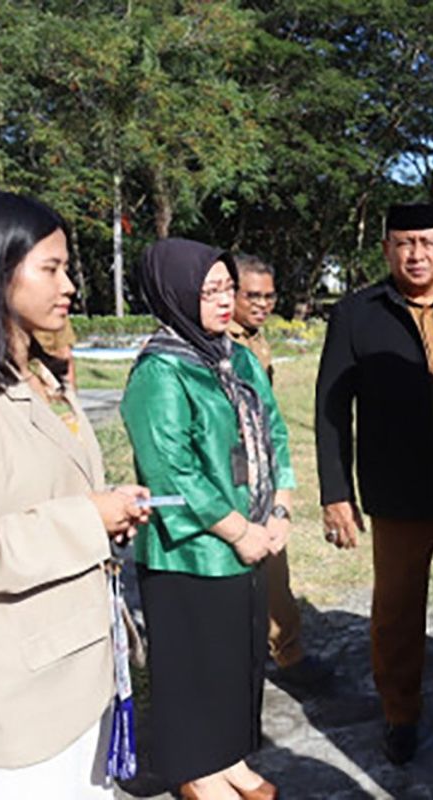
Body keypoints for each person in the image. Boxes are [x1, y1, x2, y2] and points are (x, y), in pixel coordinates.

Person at [0, 189, 149, 798]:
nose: (69, 284)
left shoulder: (40, 378)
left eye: (67, 267)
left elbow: (54, 492)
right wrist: (85, 519)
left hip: (81, 674)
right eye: (50, 268)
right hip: (16, 700)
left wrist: (109, 513)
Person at [315, 203, 433, 765]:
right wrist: (335, 493)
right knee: (396, 613)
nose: (414, 254)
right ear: (387, 248)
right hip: (398, 495)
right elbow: (329, 409)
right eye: (402, 243)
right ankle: (401, 713)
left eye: (425, 242)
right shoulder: (357, 313)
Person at [121, 238, 297, 800]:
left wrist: (281, 506)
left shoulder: (234, 355)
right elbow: (172, 469)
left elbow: (274, 432)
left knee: (237, 658)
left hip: (250, 538)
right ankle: (196, 769)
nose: (225, 301)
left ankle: (228, 757)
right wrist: (239, 531)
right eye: (209, 290)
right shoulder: (161, 370)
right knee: (195, 663)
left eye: (228, 287)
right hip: (191, 550)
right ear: (173, 294)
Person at [227, 252, 328, 691]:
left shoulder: (254, 338)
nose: (263, 304)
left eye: (269, 296)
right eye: (253, 295)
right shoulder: (220, 340)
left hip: (262, 472)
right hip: (232, 477)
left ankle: (287, 652)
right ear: (229, 293)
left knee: (274, 570)